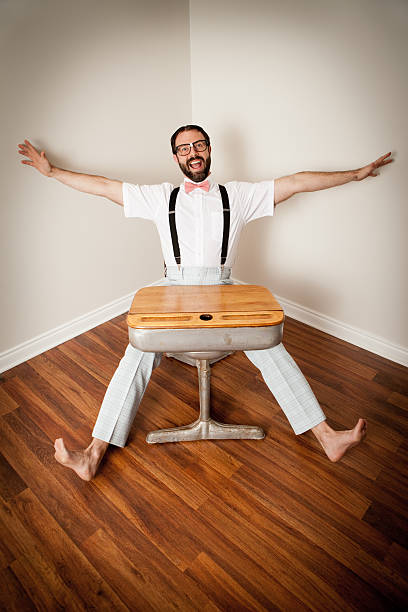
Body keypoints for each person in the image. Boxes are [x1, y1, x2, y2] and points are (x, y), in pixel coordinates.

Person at [18, 126, 393, 480]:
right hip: (172, 286)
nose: (192, 153)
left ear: (209, 150)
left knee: (269, 342)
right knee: (137, 349)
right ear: (176, 158)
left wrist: (355, 175)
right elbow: (102, 186)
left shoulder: (240, 195)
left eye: (198, 145)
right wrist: (52, 173)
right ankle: (92, 454)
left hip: (225, 286)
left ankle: (326, 436)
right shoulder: (159, 195)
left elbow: (297, 182)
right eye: (184, 149)